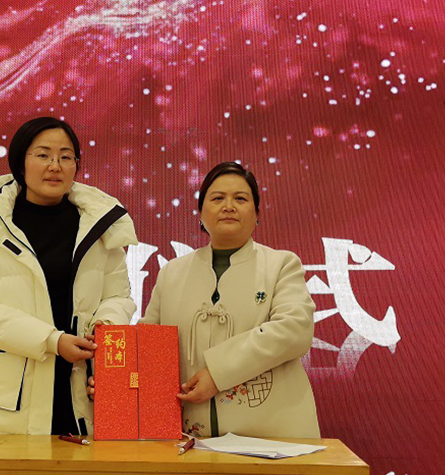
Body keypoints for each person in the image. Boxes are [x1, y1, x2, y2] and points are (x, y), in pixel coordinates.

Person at [0, 116, 137, 435]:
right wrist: (52, 341)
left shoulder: (100, 224)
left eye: (66, 157)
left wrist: (106, 328)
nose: (55, 166)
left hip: (78, 394)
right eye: (43, 155)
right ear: (20, 162)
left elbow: (118, 296)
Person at [137, 161, 319, 438]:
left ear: (257, 213)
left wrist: (218, 373)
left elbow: (295, 330)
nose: (229, 206)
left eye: (241, 199)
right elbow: (148, 344)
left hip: (272, 436)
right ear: (200, 212)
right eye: (218, 198)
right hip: (188, 438)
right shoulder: (172, 273)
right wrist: (114, 381)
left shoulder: (281, 264)